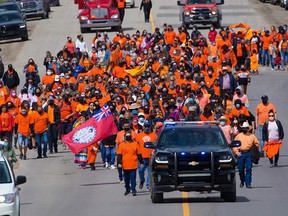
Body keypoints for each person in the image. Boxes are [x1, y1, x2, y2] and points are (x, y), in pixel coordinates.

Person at [234, 122, 260, 188]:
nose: (245, 129)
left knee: (248, 168)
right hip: (241, 154)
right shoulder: (238, 136)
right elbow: (234, 145)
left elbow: (257, 144)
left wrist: (253, 150)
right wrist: (237, 152)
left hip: (248, 153)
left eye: (246, 128)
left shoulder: (252, 136)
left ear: (248, 129)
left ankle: (248, 183)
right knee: (240, 169)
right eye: (244, 128)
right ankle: (242, 180)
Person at [117, 131, 143, 196]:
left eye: (129, 136)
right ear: (125, 137)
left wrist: (141, 162)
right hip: (125, 165)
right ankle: (127, 189)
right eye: (127, 136)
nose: (128, 137)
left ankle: (133, 190)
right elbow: (119, 155)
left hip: (133, 164)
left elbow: (139, 154)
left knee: (133, 178)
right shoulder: (121, 145)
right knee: (126, 178)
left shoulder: (135, 144)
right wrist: (119, 163)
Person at [137, 121, 157, 190]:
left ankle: (148, 185)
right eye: (145, 127)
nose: (147, 128)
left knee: (150, 172)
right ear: (143, 127)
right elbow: (136, 145)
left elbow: (156, 145)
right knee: (140, 170)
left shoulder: (154, 135)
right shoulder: (139, 135)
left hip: (151, 157)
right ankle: (142, 181)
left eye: (148, 127)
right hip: (141, 158)